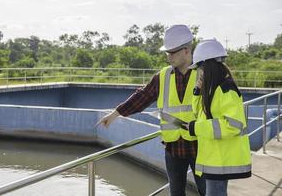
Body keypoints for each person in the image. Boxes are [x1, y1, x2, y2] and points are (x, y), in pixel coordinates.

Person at [96, 25, 206, 196]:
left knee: (207, 191)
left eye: (172, 52)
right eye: (167, 53)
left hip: (201, 146)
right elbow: (143, 96)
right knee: (176, 193)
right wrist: (115, 113)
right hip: (174, 149)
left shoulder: (204, 74)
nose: (168, 57)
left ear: (186, 51)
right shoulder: (163, 76)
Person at [183, 39, 252, 196]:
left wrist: (196, 128)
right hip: (214, 157)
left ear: (208, 66)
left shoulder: (226, 89)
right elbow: (198, 112)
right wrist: (197, 90)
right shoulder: (212, 89)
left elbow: (233, 125)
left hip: (221, 159)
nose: (199, 72)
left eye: (200, 67)